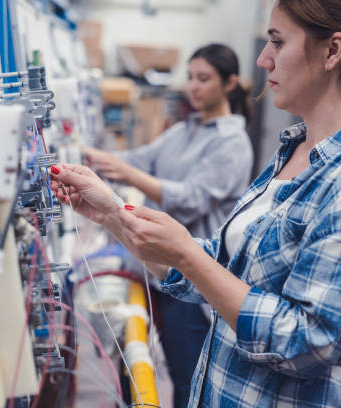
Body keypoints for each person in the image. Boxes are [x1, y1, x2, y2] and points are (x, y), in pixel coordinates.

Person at [50, 0, 341, 406]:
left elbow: (303, 342)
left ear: (333, 51)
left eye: (277, 43)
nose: (264, 60)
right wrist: (110, 213)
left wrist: (186, 253)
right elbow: (222, 266)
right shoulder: (297, 150)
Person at [82, 43, 254, 407]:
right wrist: (84, 159)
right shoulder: (184, 129)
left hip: (194, 280)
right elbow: (137, 159)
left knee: (188, 378)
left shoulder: (233, 142)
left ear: (229, 83)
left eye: (204, 78)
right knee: (164, 365)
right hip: (161, 269)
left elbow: (190, 198)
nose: (193, 86)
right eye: (190, 77)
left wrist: (130, 174)